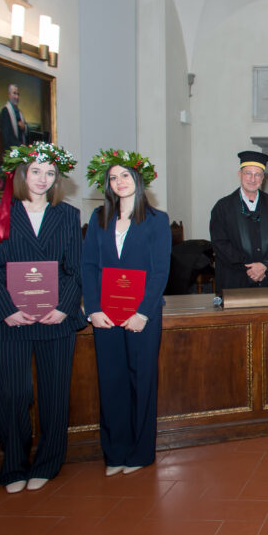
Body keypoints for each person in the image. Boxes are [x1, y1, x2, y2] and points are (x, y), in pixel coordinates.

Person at [0, 142, 84, 493]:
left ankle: (49, 462)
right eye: (36, 171)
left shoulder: (67, 215)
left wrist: (64, 307)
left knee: (55, 394)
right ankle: (13, 466)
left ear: (57, 179)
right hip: (14, 320)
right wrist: (8, 310)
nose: (43, 179)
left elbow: (74, 269)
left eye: (50, 173)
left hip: (57, 320)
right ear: (21, 174)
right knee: (12, 394)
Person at [82, 150, 170, 476]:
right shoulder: (98, 218)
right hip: (105, 316)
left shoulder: (157, 220)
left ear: (138, 180)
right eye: (114, 177)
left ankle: (139, 452)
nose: (120, 182)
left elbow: (160, 270)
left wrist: (143, 312)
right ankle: (115, 452)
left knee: (142, 381)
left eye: (126, 176)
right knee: (112, 381)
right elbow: (89, 265)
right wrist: (92, 309)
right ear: (108, 183)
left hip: (142, 317)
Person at [210, 151, 268, 290]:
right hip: (235, 279)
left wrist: (265, 265)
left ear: (263, 178)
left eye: (257, 174)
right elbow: (220, 243)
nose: (252, 179)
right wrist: (249, 268)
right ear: (240, 174)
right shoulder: (222, 207)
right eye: (248, 173)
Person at [0, 84, 29, 152]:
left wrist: (24, 127)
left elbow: (26, 128)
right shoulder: (5, 111)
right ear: (9, 95)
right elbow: (7, 135)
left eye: (18, 94)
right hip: (12, 151)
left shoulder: (19, 113)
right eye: (14, 93)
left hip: (21, 149)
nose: (17, 97)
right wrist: (20, 146)